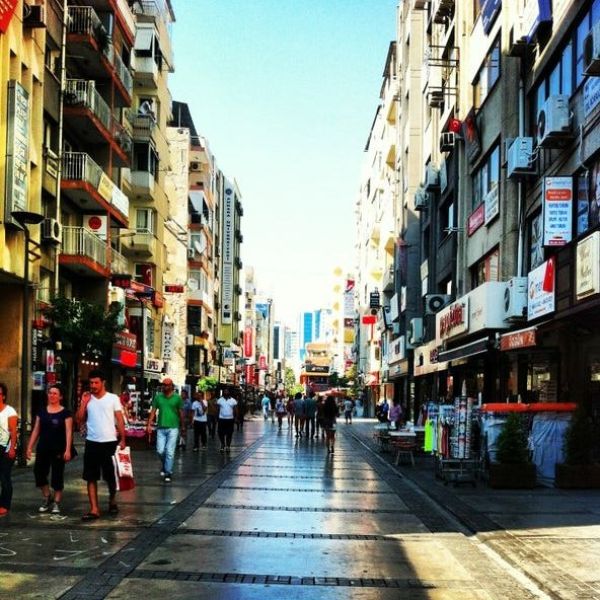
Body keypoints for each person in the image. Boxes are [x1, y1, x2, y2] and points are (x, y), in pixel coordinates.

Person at [77, 369, 126, 521]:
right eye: (91, 382)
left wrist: (123, 439)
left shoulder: (113, 399)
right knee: (90, 476)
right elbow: (79, 419)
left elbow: (119, 419)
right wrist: (83, 403)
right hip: (92, 442)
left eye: (96, 382)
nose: (93, 385)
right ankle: (94, 509)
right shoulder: (87, 398)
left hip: (110, 442)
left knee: (111, 477)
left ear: (103, 382)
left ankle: (112, 500)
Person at [26, 384, 74, 515]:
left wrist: (68, 450)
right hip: (43, 447)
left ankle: (57, 502)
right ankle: (47, 497)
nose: (52, 395)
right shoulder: (42, 411)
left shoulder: (66, 413)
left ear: (60, 396)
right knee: (39, 472)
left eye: (55, 393)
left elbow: (69, 432)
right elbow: (36, 430)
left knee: (57, 475)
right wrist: (29, 447)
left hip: (59, 448)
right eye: (50, 393)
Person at [146, 378, 184, 483]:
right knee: (160, 450)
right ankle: (165, 465)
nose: (165, 387)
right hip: (161, 428)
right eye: (164, 385)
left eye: (167, 385)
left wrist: (183, 426)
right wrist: (149, 424)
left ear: (172, 386)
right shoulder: (158, 397)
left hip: (173, 428)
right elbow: (153, 411)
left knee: (170, 451)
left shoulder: (177, 398)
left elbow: (181, 413)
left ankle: (168, 472)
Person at [0, 382, 17, 517]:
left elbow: (13, 432)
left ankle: (5, 505)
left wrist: (12, 449)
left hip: (6, 447)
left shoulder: (9, 411)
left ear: (4, 396)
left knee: (4, 476)